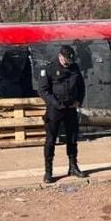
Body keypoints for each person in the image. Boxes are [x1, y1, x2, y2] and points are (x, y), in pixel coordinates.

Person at [38, 45, 87, 183]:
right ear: (60, 56)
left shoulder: (74, 68)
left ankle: (73, 166)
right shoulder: (49, 68)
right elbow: (43, 90)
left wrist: (78, 101)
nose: (68, 63)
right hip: (55, 109)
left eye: (70, 60)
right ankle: (48, 172)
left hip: (71, 108)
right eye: (66, 60)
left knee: (72, 138)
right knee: (51, 140)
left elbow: (81, 86)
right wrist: (56, 104)